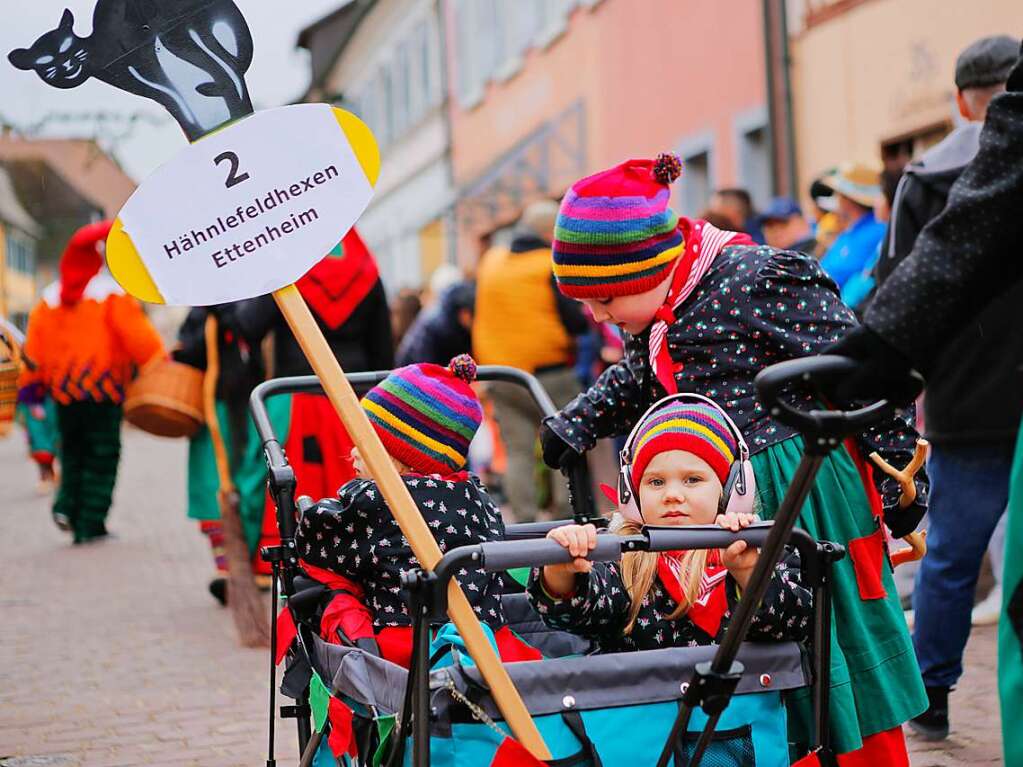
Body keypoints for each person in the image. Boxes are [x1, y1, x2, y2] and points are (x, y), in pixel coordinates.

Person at [539, 153, 928, 762]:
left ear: (646, 268)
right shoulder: (663, 303)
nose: (597, 316)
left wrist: (902, 477)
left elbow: (865, 372)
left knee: (827, 635)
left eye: (603, 299)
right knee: (741, 651)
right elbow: (644, 371)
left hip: (799, 485)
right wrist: (578, 421)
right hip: (710, 495)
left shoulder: (761, 277)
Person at [829, 39, 1023, 751]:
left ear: (961, 99)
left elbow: (905, 283)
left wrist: (890, 376)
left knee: (948, 550)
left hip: (967, 388)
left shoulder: (929, 175)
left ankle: (931, 696)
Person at [295, 355, 542, 667]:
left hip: (410, 646)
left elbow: (319, 545)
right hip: (488, 643)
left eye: (365, 443)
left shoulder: (375, 498)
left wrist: (311, 512)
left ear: (404, 456)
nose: (353, 453)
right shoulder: (476, 495)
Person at [529, 396, 811, 653]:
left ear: (732, 488)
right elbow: (575, 613)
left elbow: (793, 623)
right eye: (656, 482)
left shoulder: (762, 546)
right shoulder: (622, 555)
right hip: (648, 707)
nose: (672, 494)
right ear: (633, 494)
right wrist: (561, 568)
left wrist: (749, 569)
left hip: (743, 706)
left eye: (692, 479)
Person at [236, 229, 394, 574]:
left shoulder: (288, 273)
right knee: (354, 478)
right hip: (353, 398)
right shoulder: (368, 274)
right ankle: (355, 557)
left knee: (281, 476)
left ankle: (280, 563)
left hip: (294, 395)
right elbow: (384, 349)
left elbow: (249, 326)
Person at [18, 220, 165, 543]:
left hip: (64, 394)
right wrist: (160, 365)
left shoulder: (50, 299)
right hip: (104, 391)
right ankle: (90, 522)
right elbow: (140, 340)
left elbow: (34, 349)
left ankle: (66, 506)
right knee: (101, 455)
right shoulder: (110, 295)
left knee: (71, 452)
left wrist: (32, 388)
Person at [473, 199, 588, 521]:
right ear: (549, 232)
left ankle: (522, 523)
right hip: (548, 373)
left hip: (502, 374)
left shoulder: (491, 262)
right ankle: (569, 515)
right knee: (565, 439)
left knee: (517, 451)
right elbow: (574, 320)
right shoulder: (548, 263)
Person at [173, 303, 267, 602]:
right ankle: (228, 567)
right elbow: (191, 349)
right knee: (213, 489)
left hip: (247, 403)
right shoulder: (202, 310)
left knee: (251, 482)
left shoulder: (251, 302)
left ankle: (253, 563)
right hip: (215, 407)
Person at [819, 164, 887, 305]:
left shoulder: (876, 231)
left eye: (839, 194)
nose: (836, 199)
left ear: (847, 199)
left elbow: (841, 273)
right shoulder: (852, 231)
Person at [395, 280, 474, 366]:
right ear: (464, 313)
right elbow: (425, 363)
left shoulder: (448, 320)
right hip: (413, 370)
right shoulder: (440, 326)